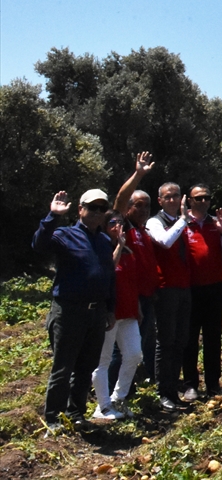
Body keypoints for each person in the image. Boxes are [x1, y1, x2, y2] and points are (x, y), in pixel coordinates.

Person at [33, 189, 116, 432]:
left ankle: (76, 413)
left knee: (86, 366)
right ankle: (53, 419)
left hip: (96, 312)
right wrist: (53, 215)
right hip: (69, 311)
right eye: (92, 207)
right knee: (63, 366)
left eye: (102, 209)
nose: (97, 213)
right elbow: (39, 244)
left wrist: (110, 309)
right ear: (80, 209)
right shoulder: (64, 234)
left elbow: (109, 277)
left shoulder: (103, 241)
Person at [181, 183, 222, 400]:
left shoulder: (215, 224)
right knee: (189, 338)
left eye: (207, 198)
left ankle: (213, 383)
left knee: (213, 337)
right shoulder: (182, 223)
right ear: (189, 200)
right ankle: (190, 385)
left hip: (214, 287)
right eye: (198, 198)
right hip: (189, 289)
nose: (204, 202)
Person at [108, 152, 160, 389]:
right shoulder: (123, 226)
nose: (145, 210)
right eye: (139, 206)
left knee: (140, 344)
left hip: (147, 297)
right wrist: (138, 174)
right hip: (129, 297)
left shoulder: (144, 231)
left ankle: (131, 383)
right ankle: (109, 392)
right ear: (128, 209)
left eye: (148, 206)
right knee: (122, 348)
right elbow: (120, 199)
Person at [145, 182, 192, 411]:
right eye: (168, 197)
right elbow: (164, 242)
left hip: (184, 288)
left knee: (180, 341)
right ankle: (164, 393)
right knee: (166, 342)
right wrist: (183, 220)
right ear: (160, 200)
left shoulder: (181, 223)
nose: (172, 200)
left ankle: (174, 391)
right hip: (165, 290)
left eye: (176, 196)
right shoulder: (155, 222)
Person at [91, 210, 142, 419]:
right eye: (113, 222)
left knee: (134, 354)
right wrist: (119, 246)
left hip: (129, 310)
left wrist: (138, 307)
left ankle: (118, 398)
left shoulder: (129, 250)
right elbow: (108, 270)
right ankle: (102, 407)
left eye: (121, 222)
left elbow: (132, 280)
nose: (118, 226)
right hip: (110, 312)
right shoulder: (100, 246)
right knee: (102, 360)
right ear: (104, 226)